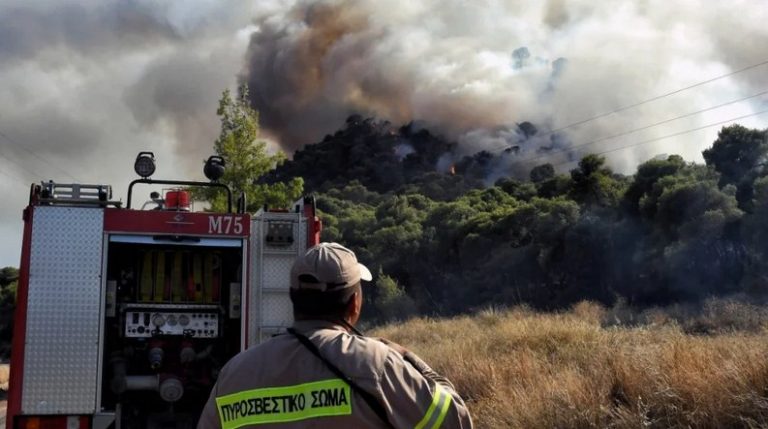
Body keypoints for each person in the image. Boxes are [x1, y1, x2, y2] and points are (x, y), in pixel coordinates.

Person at [198, 242, 473, 428]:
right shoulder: (378, 365)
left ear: (293, 298)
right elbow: (455, 420)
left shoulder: (235, 374)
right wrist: (410, 359)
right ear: (354, 303)